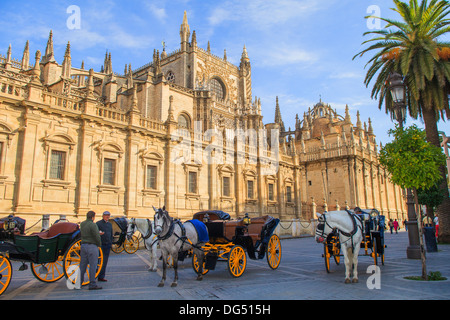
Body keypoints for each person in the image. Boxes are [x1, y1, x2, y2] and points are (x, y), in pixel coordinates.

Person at [79, 210, 102, 290]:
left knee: (82, 266)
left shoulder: (82, 224)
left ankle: (79, 282)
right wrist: (99, 245)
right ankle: (92, 283)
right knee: (93, 265)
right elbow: (96, 236)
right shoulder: (93, 225)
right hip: (92, 246)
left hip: (83, 246)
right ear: (93, 217)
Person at [96, 211, 113, 282]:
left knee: (105, 261)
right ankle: (96, 275)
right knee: (98, 261)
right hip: (101, 245)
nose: (107, 217)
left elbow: (111, 233)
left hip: (107, 244)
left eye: (108, 215)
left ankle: (101, 276)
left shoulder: (109, 224)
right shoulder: (98, 223)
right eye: (106, 215)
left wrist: (111, 242)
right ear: (103, 216)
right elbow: (96, 233)